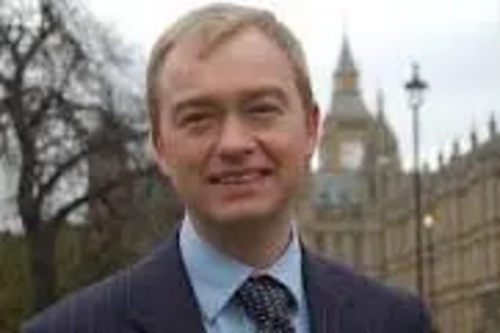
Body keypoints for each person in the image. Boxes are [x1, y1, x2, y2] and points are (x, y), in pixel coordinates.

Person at [23, 3, 432, 333]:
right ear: (160, 146)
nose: (234, 144)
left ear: (312, 129)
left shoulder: (398, 322)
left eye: (262, 110)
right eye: (198, 117)